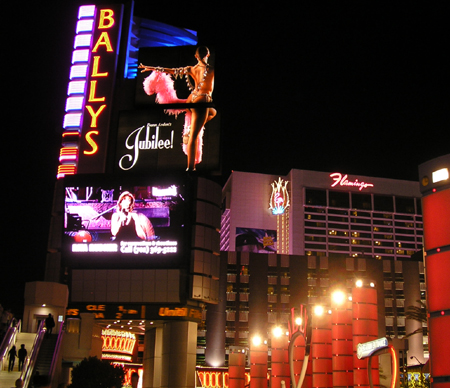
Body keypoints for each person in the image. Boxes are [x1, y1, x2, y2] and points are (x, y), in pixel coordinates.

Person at [139, 46, 217, 171]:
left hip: (192, 98)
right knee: (194, 137)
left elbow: (173, 71)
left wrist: (153, 68)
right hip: (202, 100)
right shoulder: (212, 69)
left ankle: (191, 129)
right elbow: (174, 71)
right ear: (208, 55)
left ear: (196, 56)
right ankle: (190, 168)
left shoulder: (192, 69)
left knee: (213, 112)